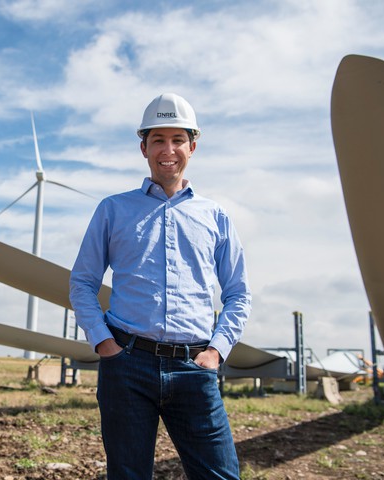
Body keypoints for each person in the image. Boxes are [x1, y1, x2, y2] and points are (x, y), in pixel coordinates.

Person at [69, 93, 251, 479]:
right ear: (143, 147)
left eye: (177, 140)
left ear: (192, 147)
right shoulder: (112, 210)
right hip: (127, 365)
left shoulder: (215, 216)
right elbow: (83, 282)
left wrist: (217, 352)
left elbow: (238, 293)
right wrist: (105, 344)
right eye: (158, 140)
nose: (168, 150)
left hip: (195, 366)